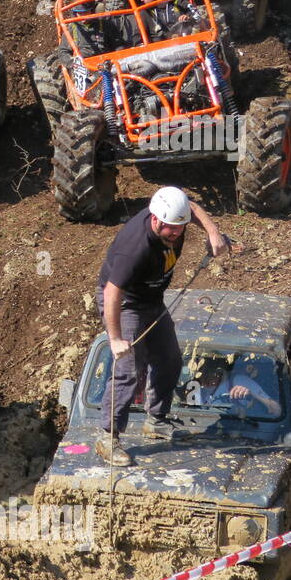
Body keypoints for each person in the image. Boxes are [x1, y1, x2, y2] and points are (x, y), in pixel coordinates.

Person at [94, 186, 229, 466]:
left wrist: (213, 233)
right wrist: (115, 338)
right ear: (156, 220)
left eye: (181, 229)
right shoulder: (135, 248)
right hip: (125, 303)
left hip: (151, 299)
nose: (177, 234)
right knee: (130, 369)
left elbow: (191, 207)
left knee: (169, 359)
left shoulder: (175, 215)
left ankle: (155, 421)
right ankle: (108, 437)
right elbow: (111, 292)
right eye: (172, 230)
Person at [188, 357, 282, 418]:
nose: (205, 378)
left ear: (221, 372)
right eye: (201, 373)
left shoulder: (239, 381)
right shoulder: (194, 389)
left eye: (211, 372)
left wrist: (252, 394)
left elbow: (277, 410)